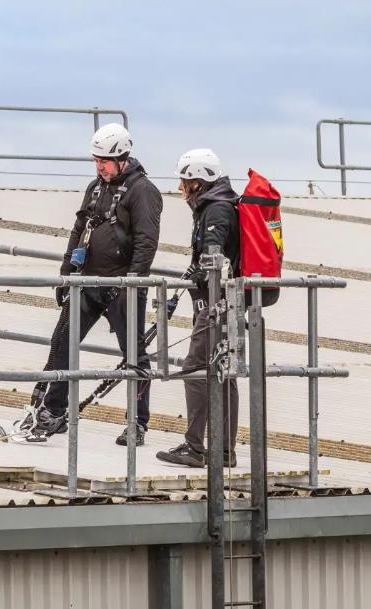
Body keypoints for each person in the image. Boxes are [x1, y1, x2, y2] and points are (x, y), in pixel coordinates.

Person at [27, 123, 163, 445]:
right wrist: (66, 270)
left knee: (134, 355)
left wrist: (134, 280)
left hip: (121, 285)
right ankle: (54, 411)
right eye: (95, 160)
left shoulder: (143, 192)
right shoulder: (96, 186)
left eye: (104, 160)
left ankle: (137, 423)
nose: (99, 166)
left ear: (122, 159)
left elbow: (147, 241)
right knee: (61, 341)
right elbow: (80, 227)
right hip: (87, 280)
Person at [156, 149, 240, 468]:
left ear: (198, 181)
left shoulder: (216, 210)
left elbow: (213, 260)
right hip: (225, 302)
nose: (180, 186)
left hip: (219, 304)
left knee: (195, 369)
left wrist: (200, 274)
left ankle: (194, 446)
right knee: (223, 372)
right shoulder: (219, 204)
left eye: (184, 179)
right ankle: (224, 450)